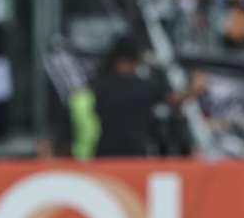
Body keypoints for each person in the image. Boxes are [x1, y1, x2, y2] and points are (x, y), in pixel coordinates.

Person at [70, 38, 205, 159]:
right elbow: (174, 100)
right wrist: (192, 90)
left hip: (102, 157)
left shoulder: (97, 86)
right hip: (135, 157)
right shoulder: (142, 86)